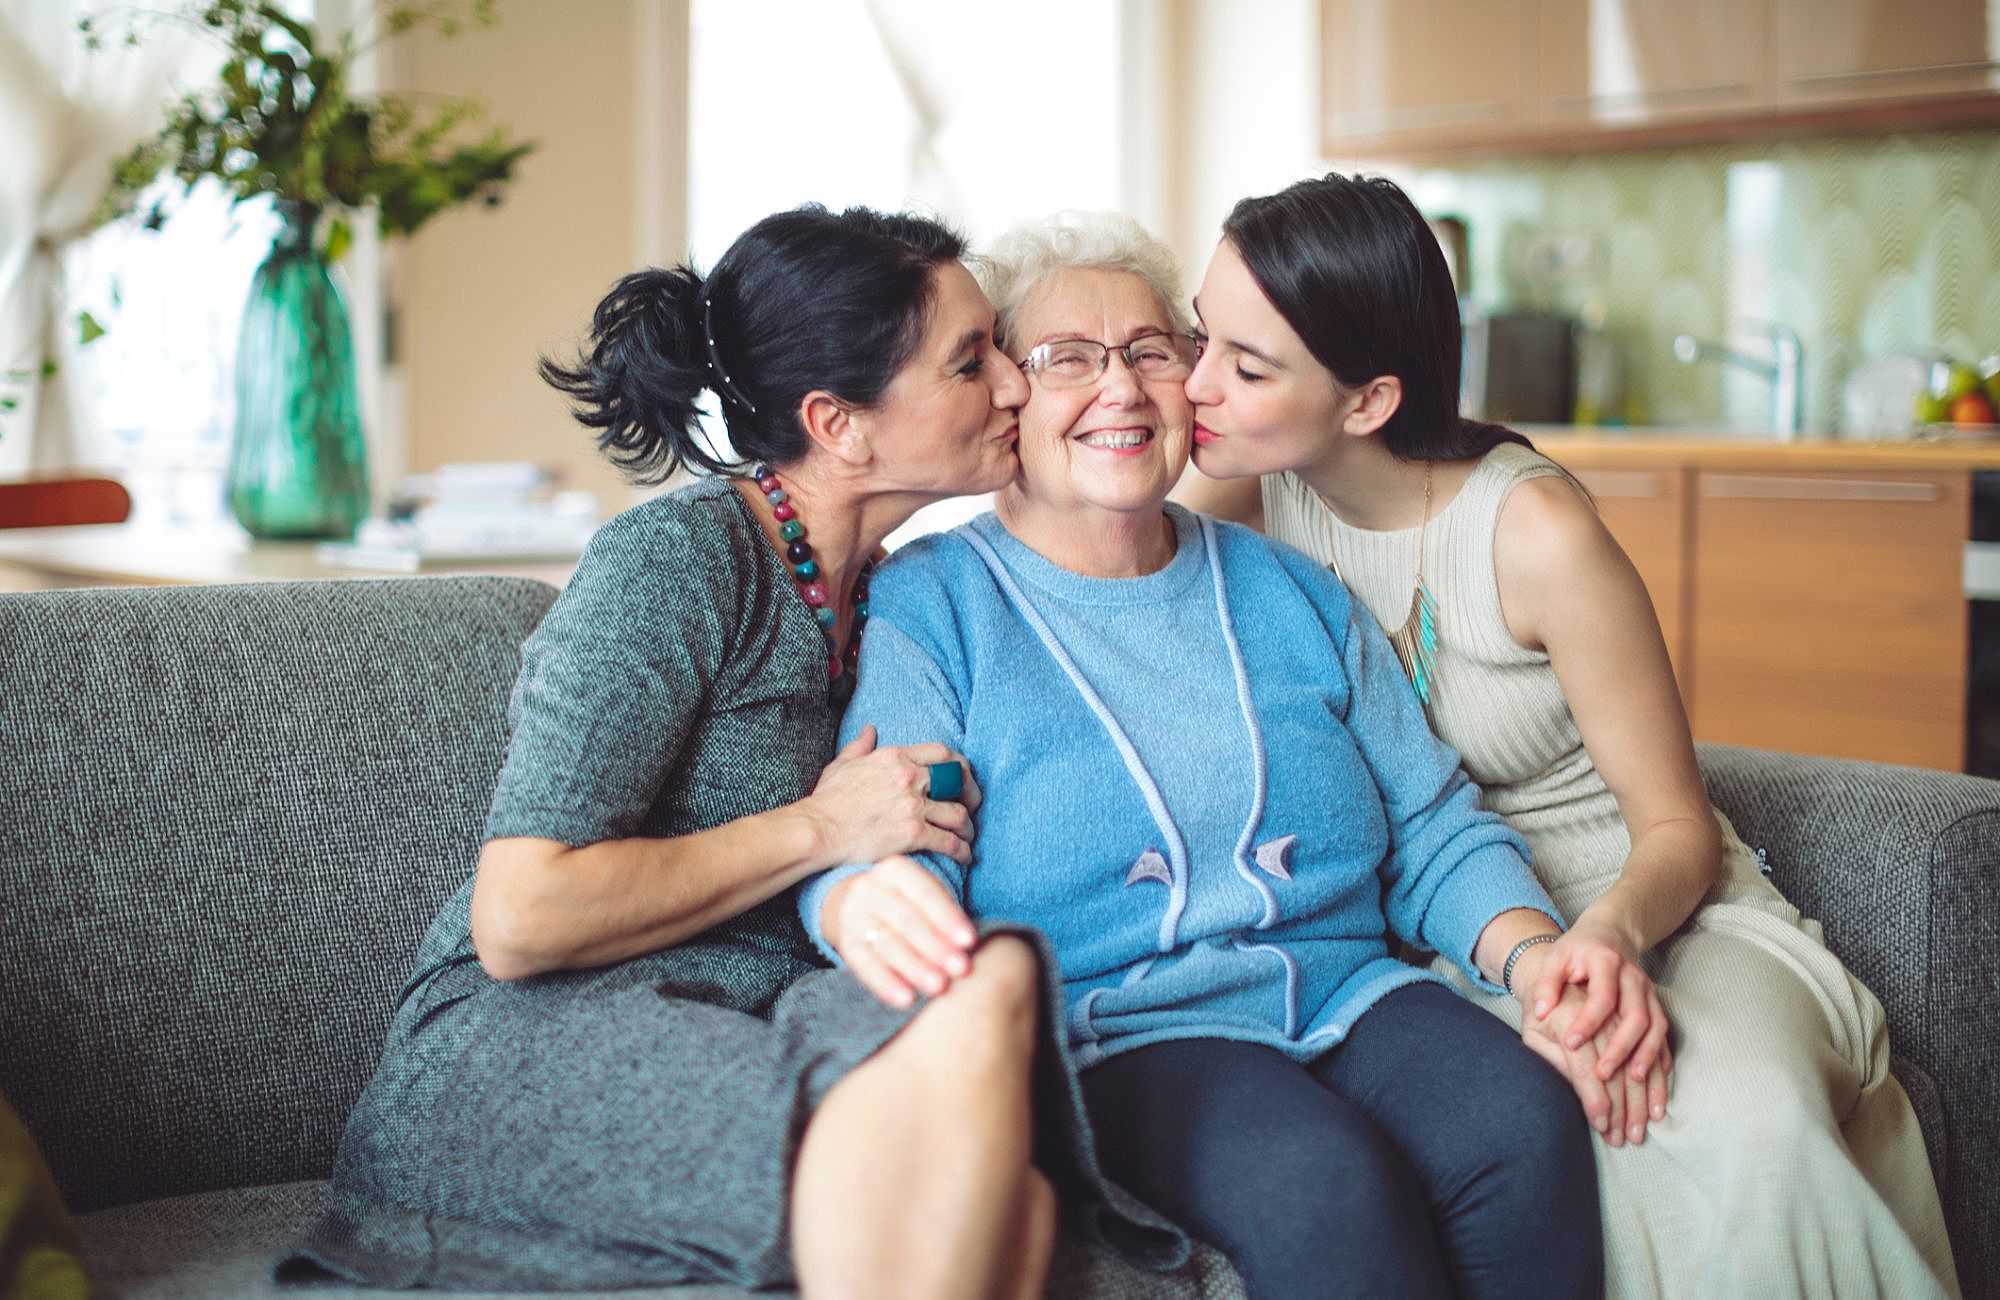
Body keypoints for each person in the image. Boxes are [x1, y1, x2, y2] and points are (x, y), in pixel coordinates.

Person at [282, 204, 1155, 1300]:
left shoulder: (890, 590)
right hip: (540, 1033)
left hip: (753, 1008)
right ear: (841, 424)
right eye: (970, 362)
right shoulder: (679, 564)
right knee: (996, 1206)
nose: (1016, 386)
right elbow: (518, 916)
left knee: (1002, 992)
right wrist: (820, 828)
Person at [1175, 171, 1961, 1300]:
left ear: (1366, 400)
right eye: (1202, 337)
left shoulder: (1534, 532)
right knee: (1564, 1131)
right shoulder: (1255, 494)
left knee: (1741, 1123)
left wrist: (1604, 943)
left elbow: (1676, 826)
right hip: (1465, 935)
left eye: (1245, 368)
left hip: (1659, 911)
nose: (1197, 385)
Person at [798, 211, 1605, 1300]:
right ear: (1005, 396)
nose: (1120, 388)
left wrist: (1530, 957)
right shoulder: (935, 606)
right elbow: (894, 836)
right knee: (1326, 1181)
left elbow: (1427, 821)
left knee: (1521, 1119)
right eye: (1066, 360)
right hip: (1122, 1030)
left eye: (1148, 351)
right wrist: (861, 900)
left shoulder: (1289, 589)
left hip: (1349, 988)